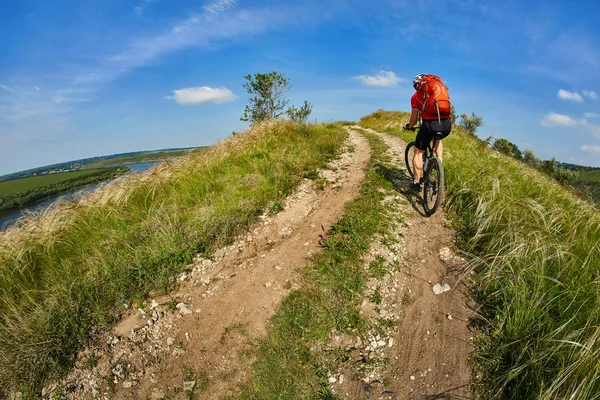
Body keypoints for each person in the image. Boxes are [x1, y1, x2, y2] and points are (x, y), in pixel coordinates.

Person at [403, 73, 452, 189]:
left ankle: (416, 182)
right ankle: (438, 161)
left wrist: (410, 126)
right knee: (437, 137)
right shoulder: (440, 92)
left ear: (417, 85)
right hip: (446, 124)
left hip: (429, 124)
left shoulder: (415, 97)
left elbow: (414, 119)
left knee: (418, 152)